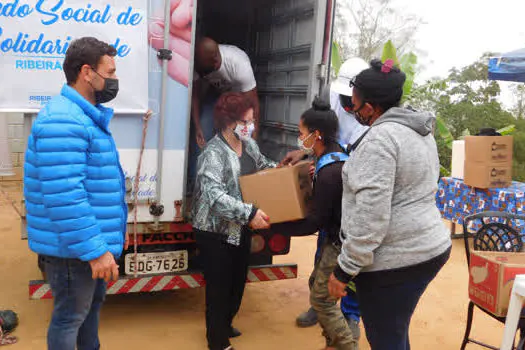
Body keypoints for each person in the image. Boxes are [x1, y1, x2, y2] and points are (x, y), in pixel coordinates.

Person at [327, 59, 452, 350]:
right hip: (429, 247)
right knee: (393, 332)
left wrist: (343, 270)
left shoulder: (380, 140)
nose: (351, 110)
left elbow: (371, 218)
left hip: (398, 259)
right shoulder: (418, 131)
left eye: (353, 105)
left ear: (370, 108)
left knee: (385, 338)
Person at [23, 37, 127, 350]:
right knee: (70, 318)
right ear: (86, 72)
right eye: (109, 72)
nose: (113, 79)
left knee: (87, 313)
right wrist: (95, 250)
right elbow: (65, 195)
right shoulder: (63, 120)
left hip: (82, 246)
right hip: (73, 252)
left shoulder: (81, 115)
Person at [265, 98, 359, 350]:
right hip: (336, 235)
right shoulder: (334, 153)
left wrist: (274, 226)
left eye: (301, 134)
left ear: (316, 134)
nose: (299, 138)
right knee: (320, 288)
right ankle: (332, 343)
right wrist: (305, 155)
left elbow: (312, 224)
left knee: (322, 300)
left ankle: (348, 345)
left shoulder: (329, 173)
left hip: (340, 242)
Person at [286, 58, 369, 330]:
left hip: (351, 189)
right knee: (324, 252)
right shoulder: (335, 99)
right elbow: (324, 136)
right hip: (333, 170)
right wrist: (309, 153)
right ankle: (320, 302)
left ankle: (350, 315)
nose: (348, 103)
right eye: (345, 96)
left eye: (352, 99)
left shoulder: (370, 119)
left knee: (347, 261)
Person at [191, 92, 273, 350]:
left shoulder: (249, 145)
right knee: (218, 287)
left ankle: (225, 323)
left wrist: (282, 168)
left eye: (252, 121)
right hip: (214, 231)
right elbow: (213, 196)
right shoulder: (213, 154)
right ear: (228, 122)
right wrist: (249, 213)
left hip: (241, 229)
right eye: (245, 121)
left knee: (237, 283)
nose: (251, 126)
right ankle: (217, 340)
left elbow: (263, 165)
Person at [187, 38, 260, 193]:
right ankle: (197, 188)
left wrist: (252, 139)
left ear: (215, 62)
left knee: (241, 141)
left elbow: (253, 104)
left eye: (202, 70)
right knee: (202, 139)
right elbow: (195, 96)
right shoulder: (200, 63)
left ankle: (238, 188)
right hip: (214, 96)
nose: (199, 71)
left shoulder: (238, 64)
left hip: (239, 100)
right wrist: (198, 127)